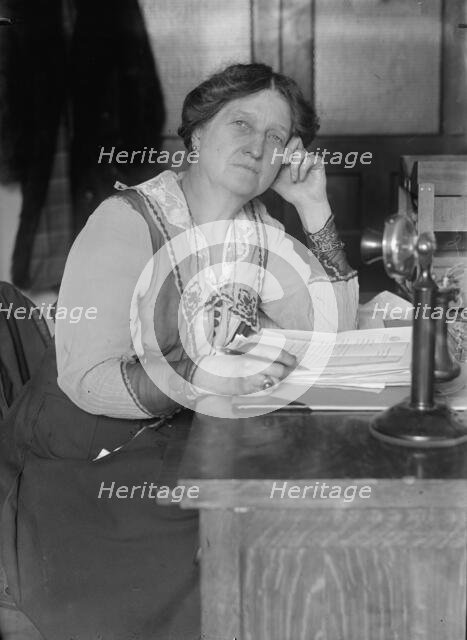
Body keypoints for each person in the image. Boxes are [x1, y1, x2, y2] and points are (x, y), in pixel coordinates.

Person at [0, 63, 358, 639]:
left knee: (285, 521)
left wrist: (313, 207)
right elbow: (88, 379)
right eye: (241, 124)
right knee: (218, 557)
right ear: (196, 135)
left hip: (191, 432)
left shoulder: (259, 229)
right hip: (96, 442)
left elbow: (332, 330)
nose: (257, 146)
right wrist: (205, 373)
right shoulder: (126, 220)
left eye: (275, 138)